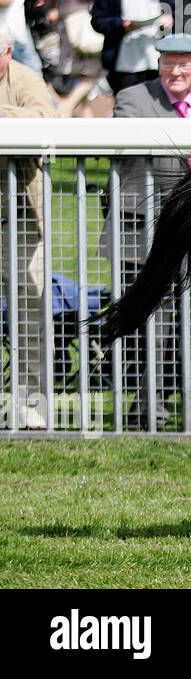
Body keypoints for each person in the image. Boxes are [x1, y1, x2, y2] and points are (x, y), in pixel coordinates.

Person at [103, 34, 191, 431]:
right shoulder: (133, 99)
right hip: (146, 233)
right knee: (151, 326)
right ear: (158, 64)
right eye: (169, 63)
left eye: (185, 64)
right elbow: (137, 149)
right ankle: (147, 413)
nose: (176, 71)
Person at [0, 22, 57, 429]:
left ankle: (31, 407)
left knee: (30, 316)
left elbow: (43, 119)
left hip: (21, 219)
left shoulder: (25, 78)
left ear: (7, 52)